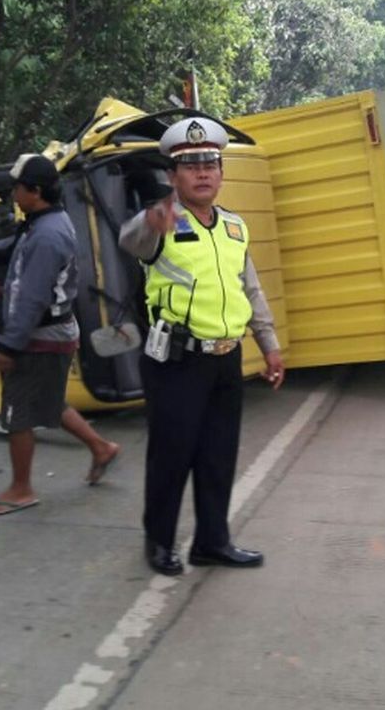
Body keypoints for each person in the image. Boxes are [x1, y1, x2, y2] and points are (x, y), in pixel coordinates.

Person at [119, 117, 285, 576]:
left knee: (218, 455)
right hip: (176, 359)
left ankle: (212, 542)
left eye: (210, 163)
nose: (203, 172)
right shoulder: (162, 222)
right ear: (173, 177)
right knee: (172, 456)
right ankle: (159, 542)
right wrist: (151, 218)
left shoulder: (234, 227)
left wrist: (268, 345)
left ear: (221, 172)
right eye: (190, 165)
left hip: (225, 358)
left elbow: (250, 289)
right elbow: (130, 240)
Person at [0, 154, 120, 516]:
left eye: (16, 188)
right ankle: (101, 447)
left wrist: (8, 346)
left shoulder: (48, 235)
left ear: (34, 191)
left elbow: (32, 298)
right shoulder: (41, 223)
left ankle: (20, 489)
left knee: (17, 412)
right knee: (50, 401)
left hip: (40, 336)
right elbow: (12, 248)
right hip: (51, 334)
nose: (12, 195)